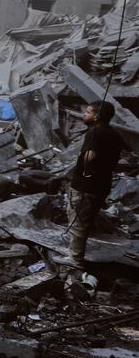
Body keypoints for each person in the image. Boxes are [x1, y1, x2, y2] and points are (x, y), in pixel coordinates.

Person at [66, 101, 125, 266]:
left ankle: (75, 258)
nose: (85, 114)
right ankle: (77, 252)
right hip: (103, 184)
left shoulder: (94, 133)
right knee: (87, 219)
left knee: (77, 221)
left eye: (88, 112)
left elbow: (90, 157)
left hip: (86, 185)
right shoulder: (115, 134)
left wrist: (83, 169)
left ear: (97, 116)